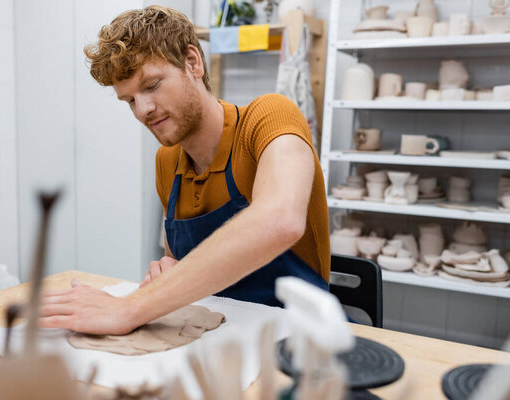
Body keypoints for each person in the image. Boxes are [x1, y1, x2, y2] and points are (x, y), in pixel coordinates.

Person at [40, 6, 330, 335]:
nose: (142, 111)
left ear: (192, 62)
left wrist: (131, 308)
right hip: (217, 341)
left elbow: (279, 220)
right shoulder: (167, 161)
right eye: (129, 100)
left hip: (301, 344)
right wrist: (168, 272)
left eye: (151, 86)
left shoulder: (268, 118)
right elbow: (180, 265)